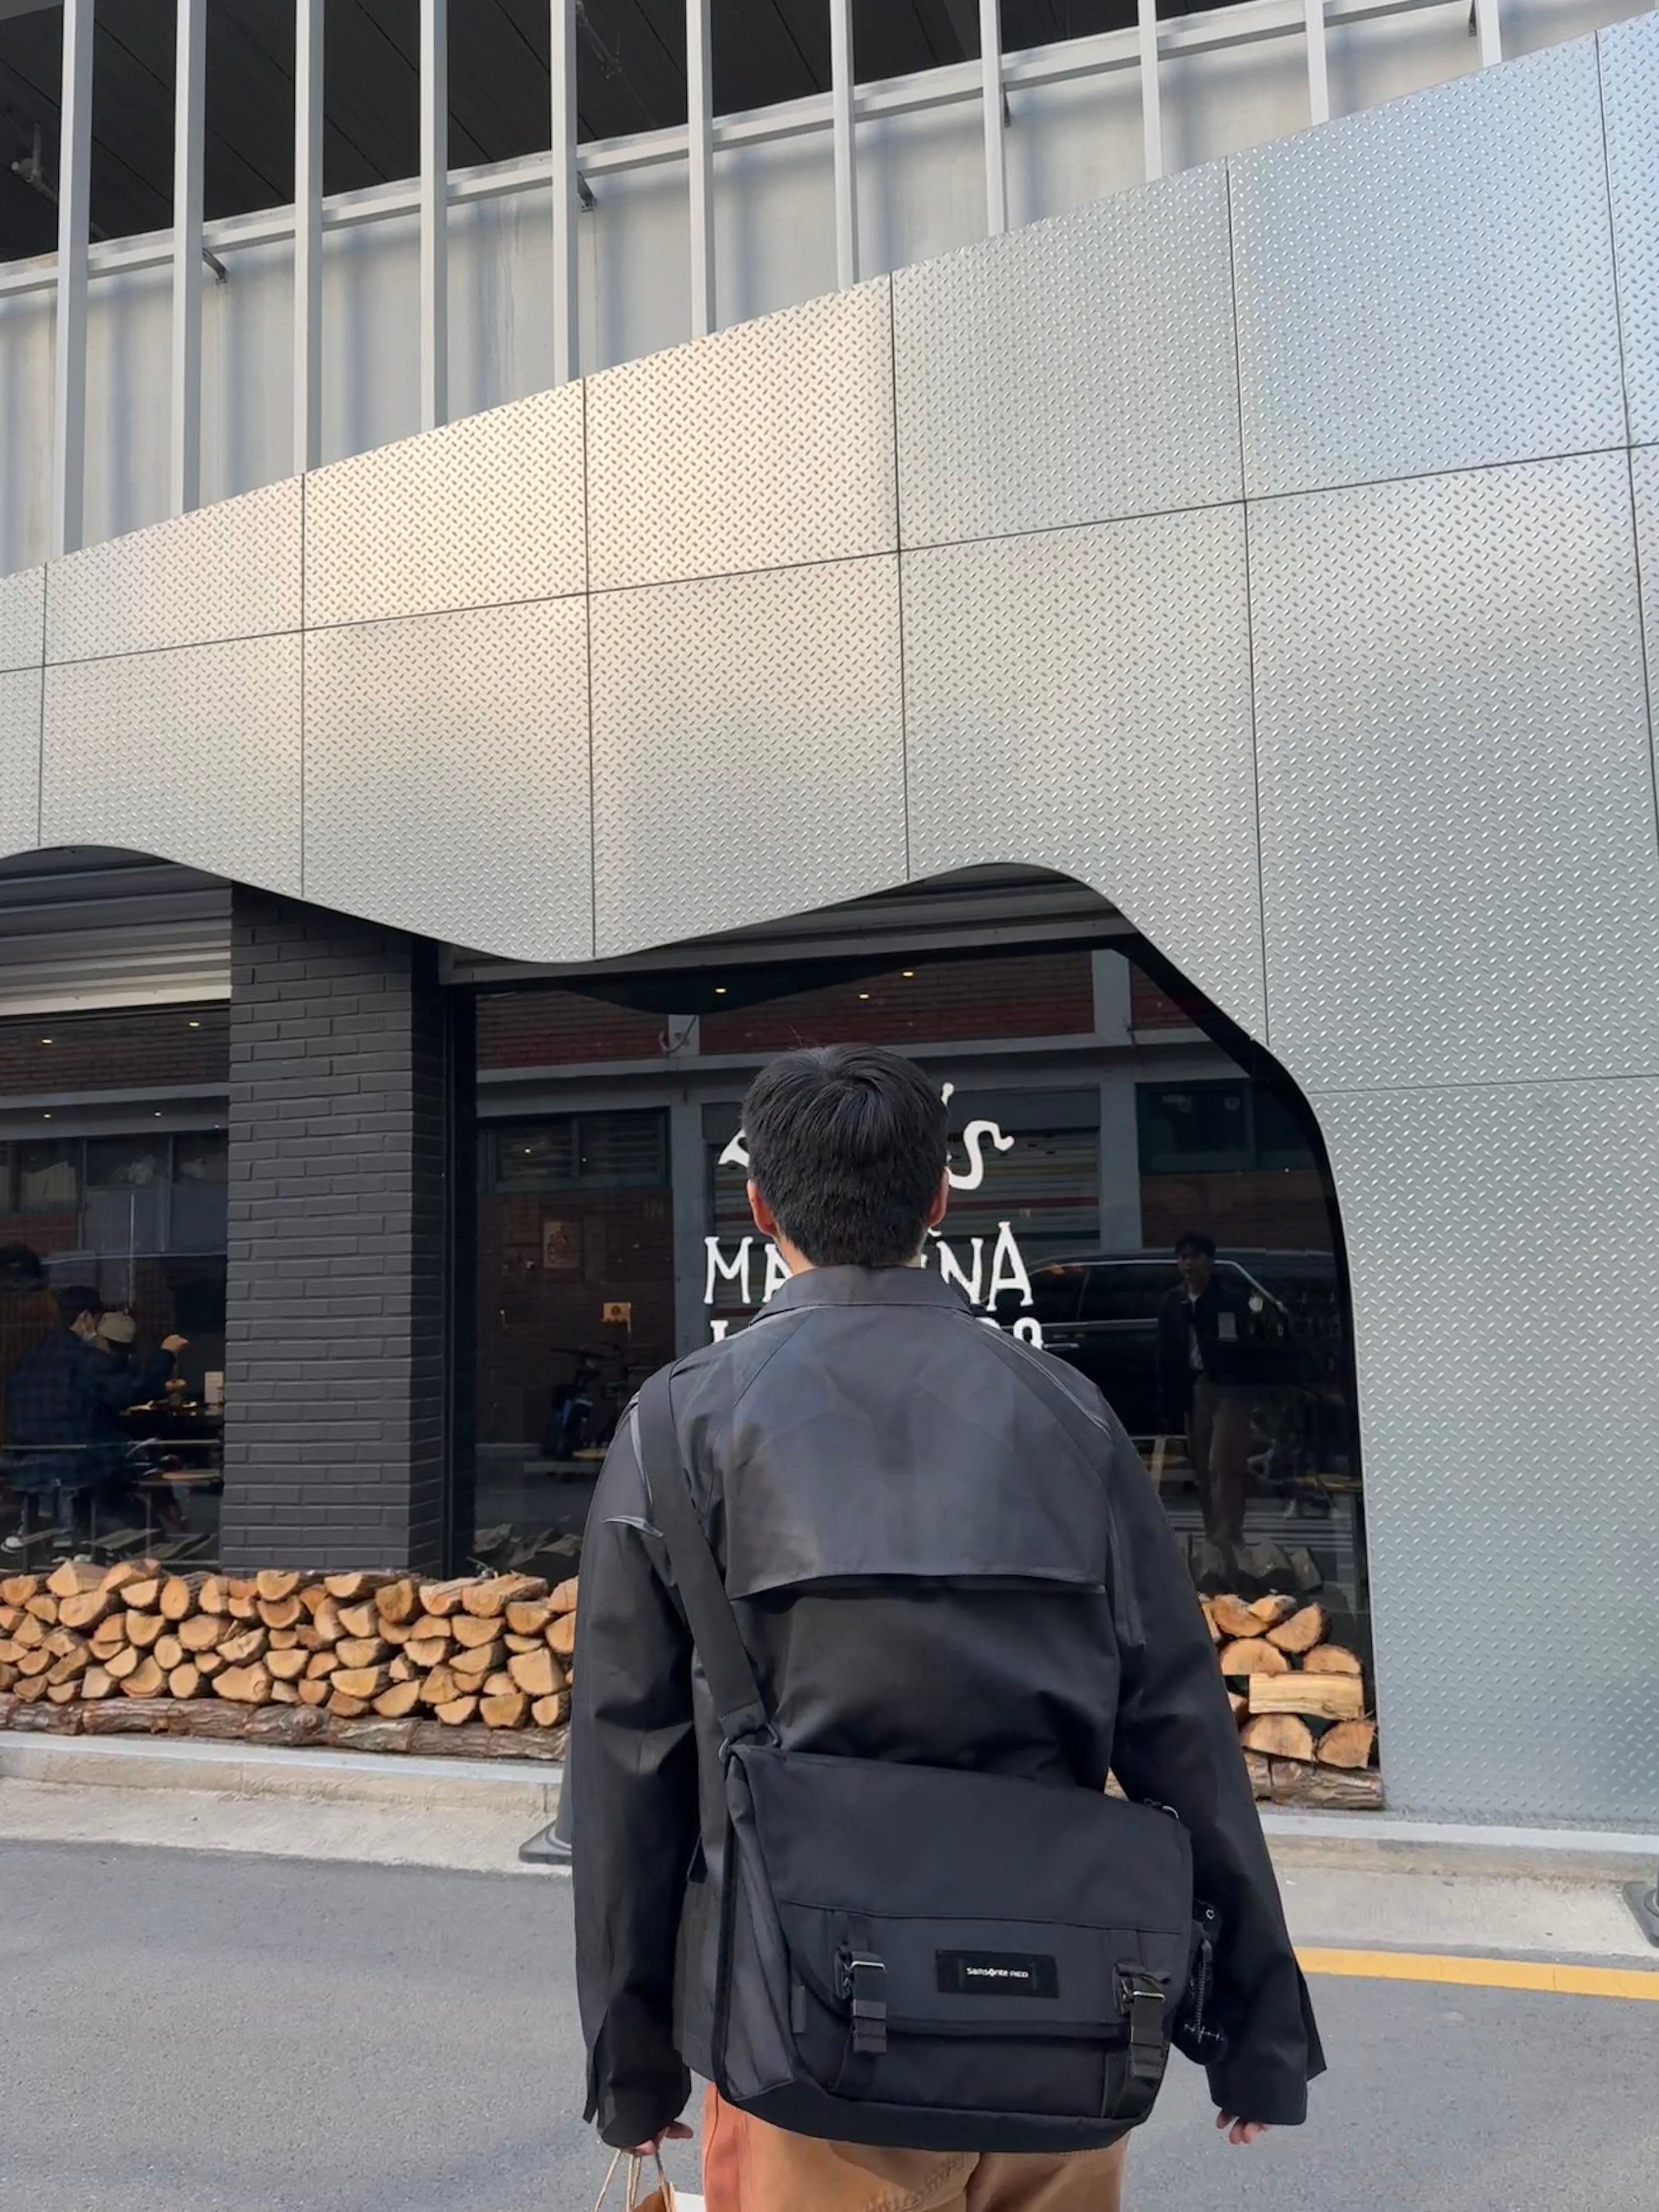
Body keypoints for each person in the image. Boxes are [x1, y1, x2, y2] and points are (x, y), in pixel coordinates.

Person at [574, 1046, 1321, 2212]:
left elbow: (630, 1765)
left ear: (759, 1207)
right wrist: (1256, 2028)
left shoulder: (676, 1426)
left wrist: (632, 2068)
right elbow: (1182, 1729)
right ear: (938, 1198)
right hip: (1065, 2023)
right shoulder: (1070, 1414)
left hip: (805, 2033)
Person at [1157, 1232, 1261, 1561]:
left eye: (1195, 1257)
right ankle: (1213, 1536)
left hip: (1228, 1388)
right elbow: (1166, 1352)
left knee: (1223, 1464)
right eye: (1183, 1257)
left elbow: (1242, 1346)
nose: (1188, 1264)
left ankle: (1228, 1537)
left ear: (1209, 1261)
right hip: (1194, 1387)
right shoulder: (1173, 1301)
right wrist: (1170, 1400)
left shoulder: (1227, 1299)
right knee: (1202, 1467)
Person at [3, 1284, 103, 1554]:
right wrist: (165, 1356)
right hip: (70, 1458)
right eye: (98, 1320)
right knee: (114, 1459)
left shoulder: (29, 1358)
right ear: (86, 1317)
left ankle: (32, 1531)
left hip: (28, 1457)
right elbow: (122, 1391)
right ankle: (77, 1539)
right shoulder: (83, 1358)